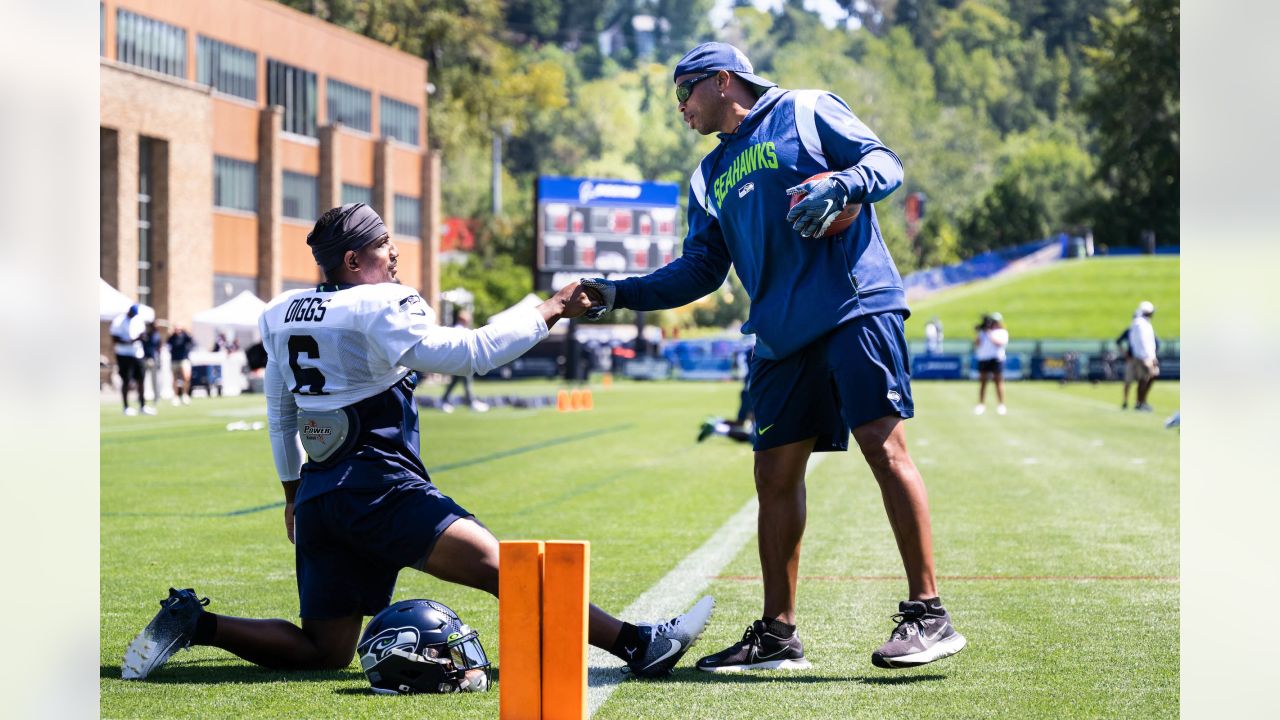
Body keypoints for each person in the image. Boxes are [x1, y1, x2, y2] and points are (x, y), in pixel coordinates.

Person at [122, 203, 713, 684]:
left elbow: (281, 414)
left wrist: (290, 493)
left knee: (323, 650)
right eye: (383, 245)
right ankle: (639, 644)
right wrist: (553, 307)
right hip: (379, 484)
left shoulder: (282, 312)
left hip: (322, 496)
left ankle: (196, 625)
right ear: (356, 260)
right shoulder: (378, 303)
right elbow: (474, 353)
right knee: (507, 568)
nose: (395, 253)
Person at [580, 42, 965, 672]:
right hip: (780, 335)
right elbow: (700, 271)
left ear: (723, 81)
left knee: (881, 443)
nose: (680, 108)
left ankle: (929, 613)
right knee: (774, 477)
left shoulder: (808, 111)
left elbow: (885, 164)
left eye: (686, 93)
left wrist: (845, 181)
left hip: (853, 304)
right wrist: (618, 293)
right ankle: (777, 635)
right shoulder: (706, 177)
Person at [438, 308, 489, 413]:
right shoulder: (459, 329)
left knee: (457, 382)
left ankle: (445, 400)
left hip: (460, 360)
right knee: (466, 381)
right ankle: (470, 402)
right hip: (460, 361)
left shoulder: (460, 328)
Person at [110, 304, 153, 416]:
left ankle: (143, 405)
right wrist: (130, 341)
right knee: (126, 380)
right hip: (124, 354)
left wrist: (140, 338)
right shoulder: (119, 321)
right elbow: (115, 339)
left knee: (141, 380)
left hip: (137, 354)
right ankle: (126, 407)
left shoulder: (138, 320)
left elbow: (143, 334)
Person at [1126, 300, 1160, 411]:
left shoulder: (1140, 322)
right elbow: (1143, 341)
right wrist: (1150, 357)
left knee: (1146, 378)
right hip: (1144, 356)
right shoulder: (1141, 324)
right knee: (1147, 377)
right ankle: (1140, 402)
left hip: (1142, 355)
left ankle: (1141, 402)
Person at [973, 312, 1009, 416]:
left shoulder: (1002, 332)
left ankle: (1001, 405)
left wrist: (989, 333)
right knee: (983, 383)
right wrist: (979, 333)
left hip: (996, 359)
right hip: (984, 359)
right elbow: (977, 344)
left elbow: (998, 343)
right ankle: (981, 405)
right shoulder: (983, 332)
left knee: (998, 382)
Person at [167, 325, 195, 405]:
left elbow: (191, 340)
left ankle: (185, 395)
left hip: (184, 359)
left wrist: (186, 331)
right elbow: (168, 344)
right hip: (174, 360)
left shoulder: (185, 336)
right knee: (174, 379)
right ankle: (175, 396)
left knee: (186, 377)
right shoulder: (172, 338)